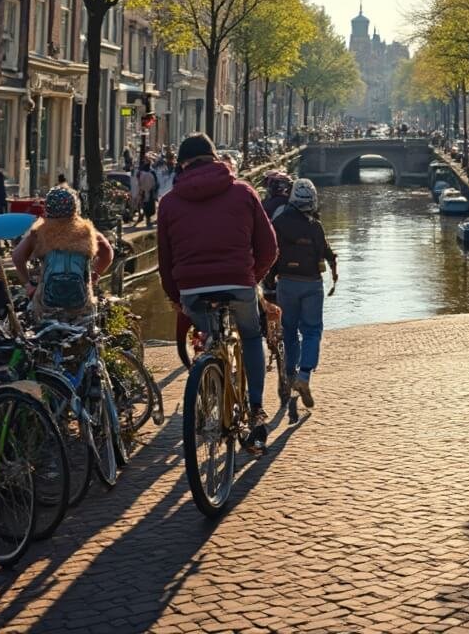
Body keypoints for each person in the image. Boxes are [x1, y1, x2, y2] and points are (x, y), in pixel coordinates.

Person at [157, 133, 278, 443]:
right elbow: (269, 247)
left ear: (182, 165)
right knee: (251, 335)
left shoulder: (168, 202)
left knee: (209, 337)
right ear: (215, 158)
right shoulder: (243, 192)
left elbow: (165, 261)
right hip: (238, 282)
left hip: (193, 290)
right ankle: (256, 408)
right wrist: (253, 276)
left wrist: (176, 297)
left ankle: (210, 381)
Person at [269, 178, 338, 409]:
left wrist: (268, 279)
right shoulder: (314, 226)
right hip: (311, 284)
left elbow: (271, 252)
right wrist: (334, 268)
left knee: (289, 329)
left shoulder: (279, 222)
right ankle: (305, 375)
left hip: (287, 282)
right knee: (311, 330)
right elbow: (325, 250)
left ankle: (289, 372)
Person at [12, 185, 114, 322]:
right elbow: (107, 253)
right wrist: (95, 274)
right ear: (75, 207)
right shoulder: (87, 231)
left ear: (47, 208)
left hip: (47, 303)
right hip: (81, 302)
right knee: (87, 321)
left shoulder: (38, 232)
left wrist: (28, 285)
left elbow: (17, 258)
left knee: (35, 318)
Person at [137, 160, 157, 227]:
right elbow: (154, 184)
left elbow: (139, 183)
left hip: (143, 192)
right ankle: (147, 220)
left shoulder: (141, 174)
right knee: (149, 207)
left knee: (144, 206)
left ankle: (144, 218)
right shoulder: (151, 174)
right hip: (149, 192)